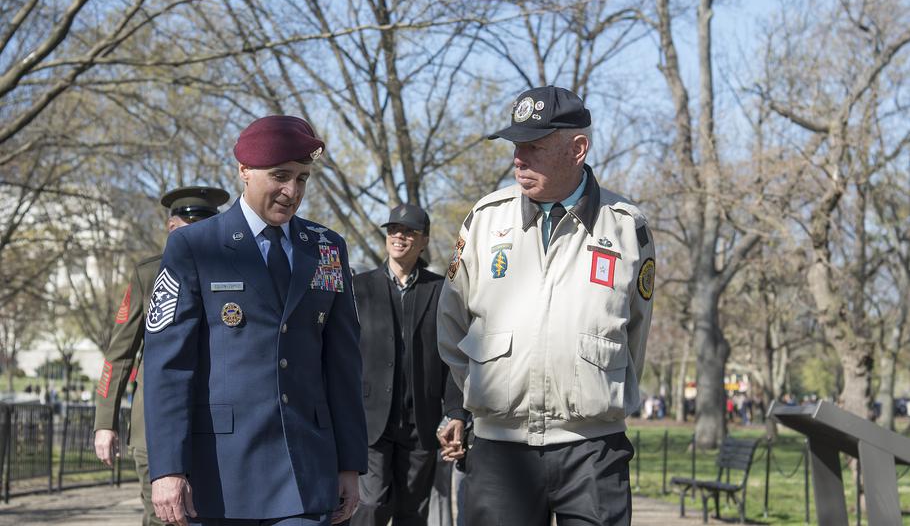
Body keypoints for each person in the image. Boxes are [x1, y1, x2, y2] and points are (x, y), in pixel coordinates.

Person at [437, 85, 656, 526]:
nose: (519, 158)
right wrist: (486, 393)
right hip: (500, 450)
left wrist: (593, 391)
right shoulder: (485, 219)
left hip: (594, 451)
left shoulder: (628, 227)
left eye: (534, 147)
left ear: (578, 149)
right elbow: (451, 324)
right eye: (516, 146)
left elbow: (636, 331)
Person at [143, 116, 368, 526]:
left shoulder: (326, 248)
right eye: (280, 176)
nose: (292, 191)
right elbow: (169, 368)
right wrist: (167, 469)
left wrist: (350, 463)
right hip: (222, 477)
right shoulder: (195, 247)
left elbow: (343, 363)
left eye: (302, 178)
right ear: (244, 171)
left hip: (307, 470)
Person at [93, 185, 229, 526]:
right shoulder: (149, 274)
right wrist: (105, 423)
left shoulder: (234, 272)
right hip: (154, 423)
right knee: (165, 518)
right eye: (188, 229)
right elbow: (119, 354)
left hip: (219, 423)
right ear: (171, 228)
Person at [349, 204, 466, 526]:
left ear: (424, 240)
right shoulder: (358, 289)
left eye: (409, 231)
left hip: (421, 423)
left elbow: (453, 357)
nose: (399, 236)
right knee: (371, 504)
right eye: (393, 230)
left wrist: (455, 412)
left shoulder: (441, 290)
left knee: (412, 513)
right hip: (371, 422)